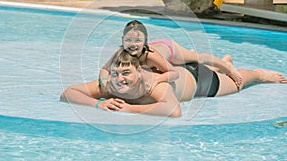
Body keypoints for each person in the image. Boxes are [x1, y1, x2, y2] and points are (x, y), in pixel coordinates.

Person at [60, 49, 287, 117]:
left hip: (201, 80)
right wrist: (98, 104)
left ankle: (258, 74)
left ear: (139, 71)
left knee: (238, 83)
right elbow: (68, 93)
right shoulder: (111, 83)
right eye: (116, 74)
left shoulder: (154, 84)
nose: (121, 79)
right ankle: (221, 64)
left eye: (127, 73)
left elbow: (173, 109)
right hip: (183, 75)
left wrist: (130, 108)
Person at [99, 20, 243, 93]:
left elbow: (174, 73)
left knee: (197, 58)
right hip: (161, 55)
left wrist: (158, 78)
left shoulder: (151, 56)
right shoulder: (120, 54)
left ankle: (227, 66)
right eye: (128, 40)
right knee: (195, 69)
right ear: (122, 40)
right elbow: (104, 69)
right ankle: (220, 65)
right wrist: (104, 81)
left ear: (145, 42)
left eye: (138, 41)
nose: (132, 45)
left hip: (170, 50)